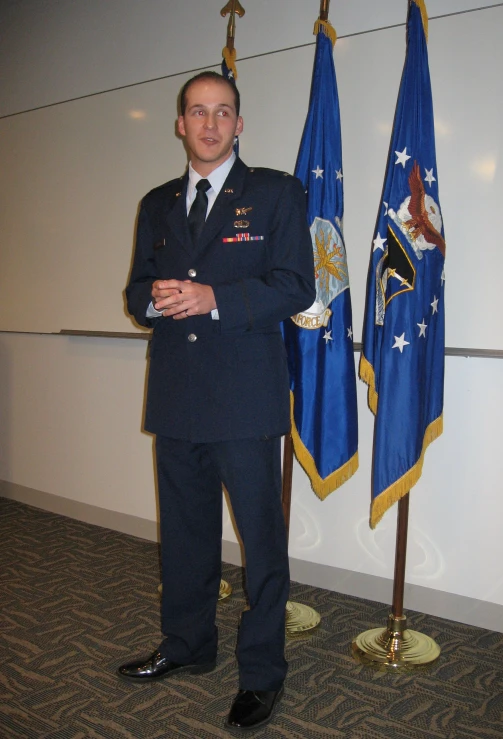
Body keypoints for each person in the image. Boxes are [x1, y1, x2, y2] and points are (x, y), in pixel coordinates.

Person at [121, 71, 315, 732]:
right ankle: (187, 646)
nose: (209, 123)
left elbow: (294, 284)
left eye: (222, 112)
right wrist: (154, 298)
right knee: (185, 537)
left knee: (261, 545)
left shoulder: (276, 193)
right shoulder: (155, 203)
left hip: (243, 397)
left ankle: (261, 673)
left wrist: (215, 298)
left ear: (239, 124)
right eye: (197, 112)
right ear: (180, 123)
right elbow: (136, 292)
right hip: (176, 393)